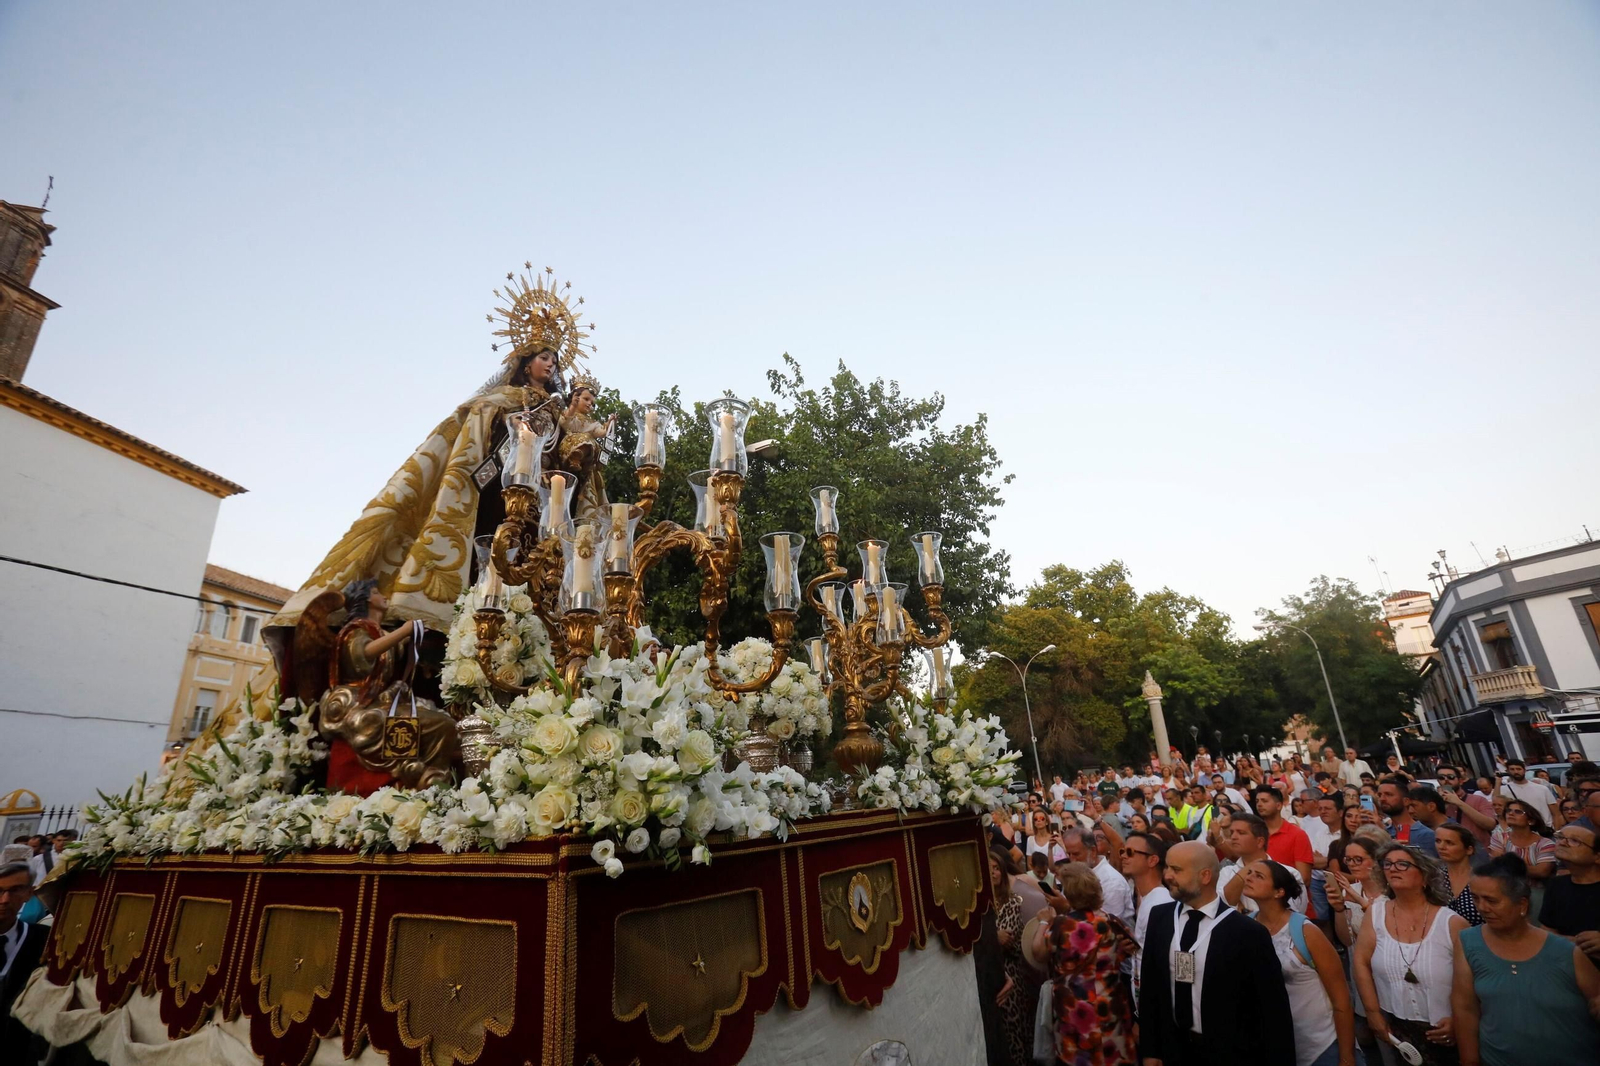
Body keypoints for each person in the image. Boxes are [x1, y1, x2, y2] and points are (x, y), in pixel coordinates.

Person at [1137, 840, 1295, 1066]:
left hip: (1229, 1054)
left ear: (1205, 876)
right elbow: (1151, 988)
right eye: (1168, 868)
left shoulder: (1247, 933)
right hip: (1174, 1050)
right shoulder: (1160, 917)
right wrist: (1151, 1051)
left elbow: (1273, 1011)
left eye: (1177, 870)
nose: (1168, 876)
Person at [1452, 854, 1600, 1066]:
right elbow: (1465, 1009)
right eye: (1476, 898)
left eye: (1492, 900)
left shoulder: (1567, 952)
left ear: (1522, 904)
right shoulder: (1468, 942)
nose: (1482, 908)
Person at [1353, 843, 1467, 1066]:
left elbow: (1470, 980)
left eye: (1403, 864)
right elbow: (1360, 962)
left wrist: (1460, 1020)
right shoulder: (1375, 913)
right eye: (1388, 864)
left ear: (1424, 876)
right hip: (1395, 1027)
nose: (1393, 868)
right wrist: (1372, 1012)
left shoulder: (1452, 923)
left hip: (1444, 1030)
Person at [1242, 859, 1362, 1066]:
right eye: (1249, 872)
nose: (1249, 877)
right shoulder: (1245, 927)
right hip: (1277, 1046)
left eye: (1258, 876)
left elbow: (1341, 998)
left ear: (1279, 892)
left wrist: (1346, 1057)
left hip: (1323, 1045)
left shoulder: (1306, 931)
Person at [1028, 862, 1138, 1065]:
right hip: (1109, 1005)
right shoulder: (1112, 922)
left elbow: (1039, 953)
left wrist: (1044, 921)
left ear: (1069, 893)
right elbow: (1131, 948)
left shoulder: (1062, 925)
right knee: (1111, 1056)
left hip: (1074, 1008)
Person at [981, 847, 1039, 1066]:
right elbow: (994, 939)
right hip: (988, 975)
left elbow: (1007, 941)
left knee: (1014, 1032)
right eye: (989, 868)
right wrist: (992, 936)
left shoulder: (1013, 901)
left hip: (1011, 974)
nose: (994, 872)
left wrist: (989, 936)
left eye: (997, 868)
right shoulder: (979, 906)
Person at [1, 861, 49, 1057]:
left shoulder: (43, 940)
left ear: (29, 893)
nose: (4, 899)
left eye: (15, 890)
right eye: (0, 890)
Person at [1120, 830, 1172, 1010]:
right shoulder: (1148, 898)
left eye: (1130, 852)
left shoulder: (1160, 902)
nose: (1124, 857)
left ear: (1153, 860)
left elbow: (1161, 963)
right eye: (1122, 852)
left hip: (1155, 1004)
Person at [1537, 818, 1599, 962]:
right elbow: (1547, 932)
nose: (1563, 842)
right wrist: (1574, 944)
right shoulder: (1556, 885)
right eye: (1560, 837)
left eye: (1575, 841)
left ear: (1597, 856)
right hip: (1566, 965)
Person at [1486, 800, 1555, 915]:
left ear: (1531, 820)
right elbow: (1496, 866)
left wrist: (1508, 864)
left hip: (1536, 894)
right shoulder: (1499, 838)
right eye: (1508, 811)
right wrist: (1527, 868)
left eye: (1518, 811)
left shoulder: (1545, 843)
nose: (1511, 813)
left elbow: (1542, 871)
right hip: (1505, 891)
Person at [1059, 827, 1133, 927]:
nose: (1072, 859)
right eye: (1069, 854)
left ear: (1093, 851)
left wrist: (1065, 907)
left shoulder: (1112, 882)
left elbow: (1107, 926)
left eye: (1076, 854)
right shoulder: (1073, 873)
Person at [1256, 786, 1316, 900]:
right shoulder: (1255, 835)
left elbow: (1304, 879)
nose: (1259, 804)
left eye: (1264, 801)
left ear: (1279, 805)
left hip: (1291, 903)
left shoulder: (1297, 834)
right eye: (1257, 801)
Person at [1434, 766, 1496, 849]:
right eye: (1441, 777)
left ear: (1460, 780)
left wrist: (1459, 803)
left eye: (1451, 777)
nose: (1446, 780)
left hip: (1479, 851)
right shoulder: (1436, 803)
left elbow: (1490, 825)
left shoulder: (1478, 799)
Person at [1434, 823, 1482, 926]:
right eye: (1438, 841)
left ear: (1469, 849)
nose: (1441, 847)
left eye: (1449, 843)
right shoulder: (1433, 878)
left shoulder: (1482, 879)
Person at [1377, 777, 1436, 856]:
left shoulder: (1425, 835)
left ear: (1406, 801)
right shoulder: (1384, 832)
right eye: (1379, 795)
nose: (1382, 799)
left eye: (1389, 795)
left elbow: (1430, 866)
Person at [1495, 758, 1560, 828]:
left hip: (1545, 828)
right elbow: (1495, 803)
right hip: (1520, 830)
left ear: (1524, 770)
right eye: (1512, 769)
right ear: (1507, 771)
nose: (1516, 772)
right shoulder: (1503, 789)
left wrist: (1556, 830)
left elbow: (1556, 813)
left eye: (1518, 769)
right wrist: (1497, 782)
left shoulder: (1542, 789)